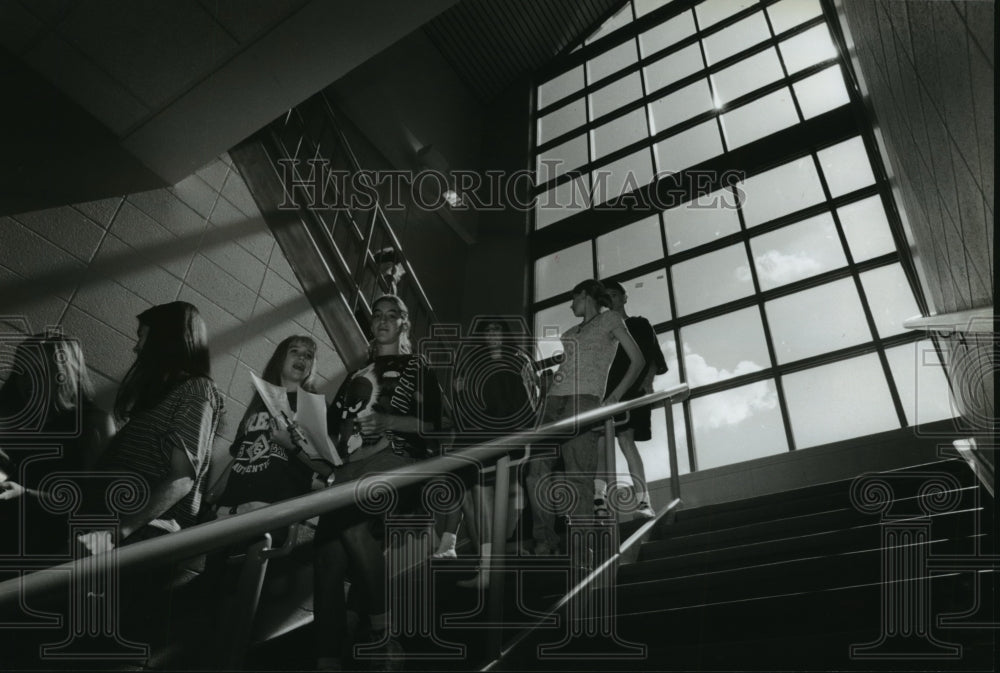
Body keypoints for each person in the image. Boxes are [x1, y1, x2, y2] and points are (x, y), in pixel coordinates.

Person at [315, 294, 443, 671]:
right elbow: (335, 429)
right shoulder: (357, 374)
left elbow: (437, 427)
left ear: (404, 324)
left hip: (396, 458)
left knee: (354, 529)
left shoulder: (417, 367)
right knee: (327, 558)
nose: (383, 320)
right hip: (349, 466)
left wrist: (390, 423)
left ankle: (383, 634)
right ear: (371, 324)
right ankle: (326, 659)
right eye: (377, 315)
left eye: (393, 315)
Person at [84, 301, 224, 551]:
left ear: (164, 340)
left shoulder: (196, 389)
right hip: (113, 522)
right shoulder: (162, 394)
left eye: (142, 336)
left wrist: (118, 532)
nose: (136, 347)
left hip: (138, 534)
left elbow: (182, 478)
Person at [526, 280, 644, 556]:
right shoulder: (568, 333)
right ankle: (545, 540)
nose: (570, 305)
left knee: (577, 473)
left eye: (573, 299)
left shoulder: (610, 319)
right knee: (535, 472)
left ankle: (581, 547)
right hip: (554, 401)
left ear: (585, 295)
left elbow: (637, 359)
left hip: (584, 400)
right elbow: (565, 369)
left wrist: (614, 397)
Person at [434, 318, 539, 589]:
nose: (493, 335)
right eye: (488, 331)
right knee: (466, 490)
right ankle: (461, 548)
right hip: (478, 436)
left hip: (503, 435)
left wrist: (524, 437)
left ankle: (480, 557)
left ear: (505, 336)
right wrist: (459, 391)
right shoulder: (475, 369)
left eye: (497, 331)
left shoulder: (517, 362)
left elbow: (527, 404)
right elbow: (464, 414)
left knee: (485, 497)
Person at [0, 333, 115, 555]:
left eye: (37, 372)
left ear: (63, 375)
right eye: (21, 371)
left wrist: (26, 494)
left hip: (39, 544)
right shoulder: (18, 409)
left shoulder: (93, 423)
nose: (25, 380)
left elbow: (93, 503)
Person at [212, 335, 333, 519]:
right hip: (229, 508)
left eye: (308, 355)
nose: (302, 358)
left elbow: (327, 468)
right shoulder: (257, 405)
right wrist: (210, 499)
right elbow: (240, 458)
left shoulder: (316, 407)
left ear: (311, 367)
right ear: (280, 358)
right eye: (295, 351)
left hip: (271, 509)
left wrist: (290, 445)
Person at [597, 280, 669, 519]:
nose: (611, 301)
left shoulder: (639, 324)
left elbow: (653, 358)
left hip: (631, 390)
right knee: (600, 441)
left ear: (624, 297)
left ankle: (642, 499)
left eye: (614, 295)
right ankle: (600, 498)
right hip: (605, 394)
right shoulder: (602, 329)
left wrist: (647, 383)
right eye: (605, 297)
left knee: (625, 440)